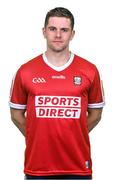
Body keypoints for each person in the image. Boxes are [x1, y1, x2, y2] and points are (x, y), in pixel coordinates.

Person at [9, 7, 105, 180]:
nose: (58, 35)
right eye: (53, 29)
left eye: (64, 30)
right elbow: (16, 114)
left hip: (77, 167)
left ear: (72, 34)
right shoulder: (26, 71)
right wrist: (37, 135)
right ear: (44, 32)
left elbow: (96, 114)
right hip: (37, 167)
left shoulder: (89, 70)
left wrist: (74, 133)